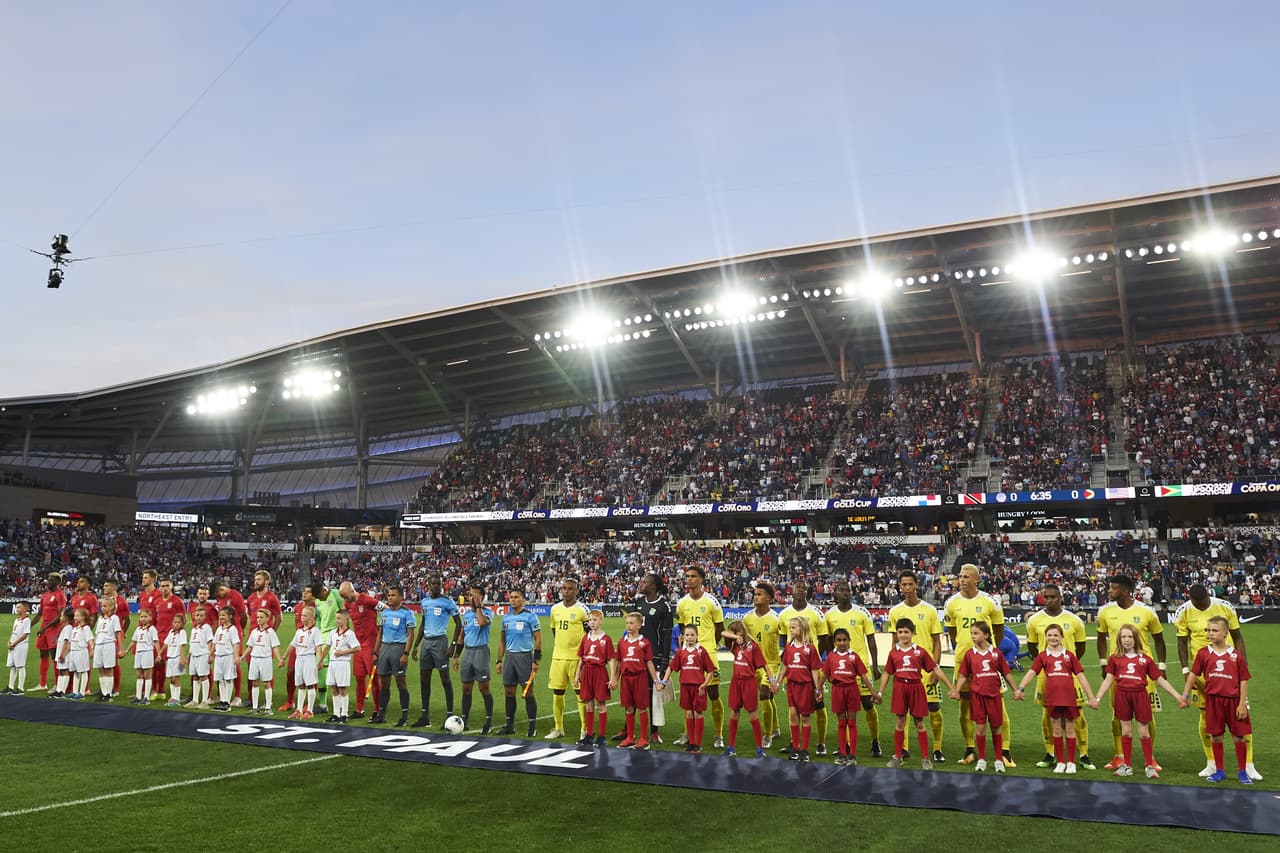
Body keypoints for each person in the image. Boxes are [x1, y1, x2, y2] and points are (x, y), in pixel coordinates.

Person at [1174, 584, 1260, 781]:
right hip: (1203, 674)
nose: (1201, 606)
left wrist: (1241, 667)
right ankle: (1212, 763)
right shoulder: (1183, 611)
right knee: (1207, 718)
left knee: (1242, 717)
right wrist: (1186, 671)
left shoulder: (1225, 607)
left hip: (1229, 672)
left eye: (1203, 603)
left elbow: (1238, 637)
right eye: (1197, 604)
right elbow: (1181, 641)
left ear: (1208, 597)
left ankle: (1248, 765)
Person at [1096, 575, 1167, 772]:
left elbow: (1159, 639)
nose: (1109, 591)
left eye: (1114, 588)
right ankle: (1119, 756)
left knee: (1148, 716)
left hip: (1143, 671)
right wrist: (1103, 662)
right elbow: (1101, 638)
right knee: (1117, 715)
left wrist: (1161, 666)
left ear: (1126, 590)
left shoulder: (1146, 612)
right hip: (1117, 671)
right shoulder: (1105, 612)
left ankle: (1149, 758)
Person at [944, 564, 1013, 766]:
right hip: (963, 662)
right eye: (960, 576)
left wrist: (988, 655)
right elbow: (953, 633)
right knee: (964, 707)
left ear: (976, 579)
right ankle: (970, 750)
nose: (962, 580)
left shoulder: (990, 601)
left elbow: (999, 631)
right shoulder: (951, 603)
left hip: (988, 664)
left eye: (966, 576)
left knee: (998, 705)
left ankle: (1005, 751)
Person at [1095, 624, 1185, 778]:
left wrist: (1178, 696)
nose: (1127, 640)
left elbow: (1159, 680)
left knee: (1143, 732)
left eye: (1130, 636)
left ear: (1135, 638)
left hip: (1140, 696)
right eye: (1123, 637)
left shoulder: (1145, 659)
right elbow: (1108, 679)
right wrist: (1097, 698)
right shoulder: (1115, 659)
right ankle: (1127, 766)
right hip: (1122, 696)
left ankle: (1149, 765)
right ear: (1119, 639)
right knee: (1127, 732)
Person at [1025, 584, 1094, 770]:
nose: (1049, 600)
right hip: (1045, 677)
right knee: (1048, 716)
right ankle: (1050, 754)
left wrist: (1066, 666)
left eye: (1053, 597)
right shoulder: (1034, 620)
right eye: (1046, 597)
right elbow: (1032, 647)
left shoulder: (1074, 620)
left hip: (1069, 676)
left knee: (1077, 716)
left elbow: (1080, 647)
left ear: (1060, 597)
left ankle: (1084, 754)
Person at [1015, 624, 1099, 774]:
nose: (1052, 638)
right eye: (1049, 635)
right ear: (1045, 637)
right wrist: (1020, 688)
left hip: (1068, 697)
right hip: (1052, 698)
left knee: (1071, 729)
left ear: (1061, 637)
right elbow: (1031, 673)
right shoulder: (1042, 656)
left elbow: (1081, 676)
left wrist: (1091, 696)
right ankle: (1060, 762)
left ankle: (1071, 762)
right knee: (1057, 729)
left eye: (1056, 635)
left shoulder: (1069, 656)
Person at [1181, 616, 1253, 784]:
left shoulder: (1235, 655)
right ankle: (1219, 771)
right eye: (1208, 630)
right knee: (1216, 737)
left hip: (1233, 701)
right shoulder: (1204, 653)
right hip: (1213, 701)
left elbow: (1243, 680)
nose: (1210, 633)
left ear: (1226, 633)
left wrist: (1242, 703)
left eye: (1215, 630)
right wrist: (1184, 696)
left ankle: (1243, 772)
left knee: (1239, 737)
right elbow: (1193, 675)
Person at [879, 618, 954, 770]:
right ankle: (898, 755)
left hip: (916, 688)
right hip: (900, 687)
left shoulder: (920, 651)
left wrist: (951, 687)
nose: (903, 635)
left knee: (919, 723)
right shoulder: (894, 653)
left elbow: (935, 668)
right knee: (900, 721)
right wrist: (880, 692)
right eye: (900, 632)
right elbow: (887, 673)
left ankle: (925, 758)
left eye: (906, 632)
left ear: (913, 633)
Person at [888, 570, 944, 761]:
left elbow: (937, 641)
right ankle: (903, 749)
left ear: (916, 585)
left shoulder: (929, 610)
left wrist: (936, 667)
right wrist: (895, 667)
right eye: (903, 585)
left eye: (910, 584)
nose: (907, 588)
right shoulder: (895, 611)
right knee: (902, 714)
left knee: (934, 709)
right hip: (904, 671)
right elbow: (894, 643)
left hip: (926, 669)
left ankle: (937, 748)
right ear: (900, 586)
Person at [824, 580, 881, 761]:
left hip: (860, 666)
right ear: (836, 593)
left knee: (867, 703)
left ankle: (875, 740)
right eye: (841, 590)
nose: (845, 593)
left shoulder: (862, 612)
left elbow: (871, 640)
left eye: (847, 590)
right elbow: (826, 641)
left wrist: (875, 664)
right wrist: (829, 663)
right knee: (842, 709)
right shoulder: (829, 615)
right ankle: (845, 745)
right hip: (840, 669)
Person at [954, 622, 1019, 773]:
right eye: (972, 634)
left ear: (987, 635)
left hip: (994, 695)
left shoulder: (996, 653)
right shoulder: (970, 654)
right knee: (981, 727)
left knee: (996, 728)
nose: (973, 637)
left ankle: (998, 759)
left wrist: (1016, 689)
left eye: (976, 633)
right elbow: (963, 674)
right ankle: (982, 759)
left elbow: (1006, 673)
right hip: (977, 696)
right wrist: (956, 690)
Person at [616, 572, 673, 744]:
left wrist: (664, 661)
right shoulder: (638, 603)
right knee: (631, 694)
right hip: (634, 654)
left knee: (651, 695)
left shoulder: (664, 606)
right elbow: (631, 628)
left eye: (645, 581)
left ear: (654, 586)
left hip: (653, 657)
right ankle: (628, 730)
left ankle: (654, 731)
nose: (641, 583)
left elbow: (666, 636)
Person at [675, 566, 725, 748]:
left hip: (708, 652)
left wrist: (709, 646)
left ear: (701, 579)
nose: (689, 579)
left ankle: (719, 734)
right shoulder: (682, 603)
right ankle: (688, 733)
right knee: (688, 693)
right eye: (687, 576)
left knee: (713, 693)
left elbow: (720, 629)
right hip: (689, 655)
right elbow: (681, 627)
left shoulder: (712, 602)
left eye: (693, 576)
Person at [776, 581, 828, 755]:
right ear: (792, 592)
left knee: (819, 707)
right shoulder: (784, 614)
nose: (799, 592)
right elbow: (784, 641)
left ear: (807, 591)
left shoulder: (816, 613)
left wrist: (817, 665)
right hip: (793, 674)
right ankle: (795, 744)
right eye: (797, 589)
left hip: (811, 669)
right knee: (793, 712)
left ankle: (820, 743)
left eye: (802, 589)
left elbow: (824, 639)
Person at [411, 575, 462, 729]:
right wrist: (416, 645)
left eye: (438, 583)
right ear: (428, 585)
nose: (436, 586)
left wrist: (453, 645)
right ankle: (425, 716)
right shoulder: (425, 602)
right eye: (433, 583)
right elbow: (423, 624)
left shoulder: (447, 602)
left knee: (445, 679)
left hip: (441, 642)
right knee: (424, 679)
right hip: (426, 643)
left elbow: (459, 624)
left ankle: (449, 716)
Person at [719, 618, 775, 759]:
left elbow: (765, 666)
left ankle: (759, 748)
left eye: (735, 633)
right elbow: (722, 633)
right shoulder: (734, 645)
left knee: (753, 715)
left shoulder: (753, 647)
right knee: (734, 712)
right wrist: (735, 637)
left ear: (740, 632)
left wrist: (773, 681)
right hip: (736, 682)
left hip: (748, 682)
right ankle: (731, 747)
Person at [823, 627, 876, 766]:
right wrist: (817, 690)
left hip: (852, 690)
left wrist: (873, 692)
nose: (842, 643)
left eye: (844, 640)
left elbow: (864, 676)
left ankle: (852, 755)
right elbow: (825, 674)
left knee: (851, 723)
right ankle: (842, 754)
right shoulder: (831, 656)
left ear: (849, 641)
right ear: (834, 642)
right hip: (837, 690)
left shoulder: (854, 656)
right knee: (841, 723)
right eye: (839, 640)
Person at [545, 577, 590, 740]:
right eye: (563, 588)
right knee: (557, 693)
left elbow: (589, 634)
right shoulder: (554, 609)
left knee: (580, 694)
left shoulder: (582, 610)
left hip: (576, 659)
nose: (566, 591)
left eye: (570, 588)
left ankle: (585, 729)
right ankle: (558, 728)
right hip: (558, 657)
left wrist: (582, 656)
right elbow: (554, 631)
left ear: (576, 591)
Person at [742, 581, 782, 748]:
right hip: (754, 665)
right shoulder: (747, 618)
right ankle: (776, 728)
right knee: (768, 698)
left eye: (759, 594)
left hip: (771, 664)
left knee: (764, 694)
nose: (755, 597)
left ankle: (767, 735)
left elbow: (786, 641)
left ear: (769, 598)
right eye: (755, 594)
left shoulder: (776, 619)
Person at [497, 588, 541, 737]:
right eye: (511, 597)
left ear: (523, 599)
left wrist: (536, 659)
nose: (513, 600)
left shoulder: (531, 617)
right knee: (509, 692)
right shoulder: (506, 619)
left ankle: (532, 726)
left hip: (525, 657)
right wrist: (499, 660)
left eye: (516, 597)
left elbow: (538, 639)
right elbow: (502, 641)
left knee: (528, 692)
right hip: (510, 657)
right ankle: (509, 725)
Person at [663, 624, 714, 754]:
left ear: (697, 636)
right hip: (685, 685)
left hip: (698, 687)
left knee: (698, 713)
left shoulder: (701, 651)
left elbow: (710, 670)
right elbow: (671, 667)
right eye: (687, 635)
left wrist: (705, 684)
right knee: (688, 713)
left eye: (692, 635)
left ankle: (698, 743)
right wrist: (664, 681)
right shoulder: (681, 651)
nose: (690, 637)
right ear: (683, 636)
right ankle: (691, 742)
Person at [453, 582, 495, 734]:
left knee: (484, 688)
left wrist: (478, 606)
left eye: (475, 595)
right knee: (466, 688)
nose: (471, 597)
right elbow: (462, 636)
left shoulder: (488, 612)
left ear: (482, 597)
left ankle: (488, 721)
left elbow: (483, 623)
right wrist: (457, 655)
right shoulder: (467, 614)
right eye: (470, 594)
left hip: (481, 652)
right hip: (467, 653)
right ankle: (465, 720)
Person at [371, 586, 416, 726]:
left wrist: (406, 653)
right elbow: (380, 633)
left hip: (398, 648)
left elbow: (410, 635)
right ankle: (382, 714)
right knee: (384, 683)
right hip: (385, 648)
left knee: (400, 682)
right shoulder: (384, 613)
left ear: (401, 598)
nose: (389, 597)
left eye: (393, 595)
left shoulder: (407, 613)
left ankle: (404, 717)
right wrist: (375, 652)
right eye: (389, 595)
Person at [338, 581, 383, 720]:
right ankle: (360, 709)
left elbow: (386, 609)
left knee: (374, 678)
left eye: (346, 596)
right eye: (343, 597)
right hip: (357, 646)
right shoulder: (347, 604)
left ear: (352, 591)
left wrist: (381, 629)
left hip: (370, 645)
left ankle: (378, 709)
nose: (345, 600)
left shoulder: (367, 600)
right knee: (359, 678)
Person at [573, 610, 616, 748]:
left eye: (595, 620)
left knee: (601, 705)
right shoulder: (586, 638)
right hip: (587, 672)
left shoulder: (606, 639)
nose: (592, 622)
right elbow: (581, 658)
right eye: (590, 620)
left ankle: (602, 736)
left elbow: (611, 659)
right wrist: (576, 675)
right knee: (589, 704)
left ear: (601, 621)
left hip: (599, 672)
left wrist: (613, 677)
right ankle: (589, 735)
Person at [616, 611, 658, 750]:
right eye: (627, 623)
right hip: (626, 678)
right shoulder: (622, 642)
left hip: (639, 677)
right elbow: (619, 662)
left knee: (641, 707)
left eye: (632, 623)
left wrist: (656, 680)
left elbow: (649, 662)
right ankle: (630, 737)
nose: (628, 625)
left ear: (639, 625)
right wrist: (615, 679)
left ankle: (643, 739)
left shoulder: (644, 642)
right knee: (628, 708)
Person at [212, 579, 249, 706]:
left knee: (234, 663)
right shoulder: (220, 599)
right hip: (222, 631)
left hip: (234, 631)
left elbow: (244, 615)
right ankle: (221, 696)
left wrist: (241, 629)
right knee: (220, 663)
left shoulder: (235, 595)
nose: (217, 597)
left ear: (221, 589)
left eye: (217, 594)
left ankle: (237, 696)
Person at [243, 608, 284, 715]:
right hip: (254, 659)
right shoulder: (254, 632)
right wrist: (242, 656)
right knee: (254, 682)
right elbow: (249, 646)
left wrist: (279, 659)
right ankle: (255, 707)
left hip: (265, 660)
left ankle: (268, 707)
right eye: (257, 617)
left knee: (266, 683)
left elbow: (275, 646)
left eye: (261, 617)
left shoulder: (270, 632)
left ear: (267, 618)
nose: (259, 619)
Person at [150, 579, 185, 701]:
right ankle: (156, 690)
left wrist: (177, 635)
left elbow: (182, 620)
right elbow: (154, 620)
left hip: (171, 637)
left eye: (167, 586)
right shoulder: (157, 601)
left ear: (171, 587)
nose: (164, 588)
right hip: (158, 636)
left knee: (168, 665)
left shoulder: (177, 601)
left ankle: (165, 691)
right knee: (156, 664)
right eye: (162, 586)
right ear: (159, 588)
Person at [279, 587, 312, 713]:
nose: (304, 593)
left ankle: (308, 704)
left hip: (309, 644)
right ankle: (290, 701)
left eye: (308, 592)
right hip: (298, 642)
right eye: (304, 591)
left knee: (309, 676)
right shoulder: (298, 607)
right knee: (290, 672)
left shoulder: (316, 607)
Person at [309, 581, 340, 714]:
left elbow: (345, 612)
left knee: (336, 670)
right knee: (321, 669)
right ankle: (322, 704)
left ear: (324, 590)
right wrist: (319, 633)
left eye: (319, 596)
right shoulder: (317, 602)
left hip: (337, 637)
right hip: (323, 637)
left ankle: (339, 706)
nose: (319, 599)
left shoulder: (336, 594)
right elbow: (320, 619)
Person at [34, 572, 68, 692]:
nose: (48, 582)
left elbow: (60, 615)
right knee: (43, 654)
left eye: (51, 580)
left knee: (54, 656)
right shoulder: (45, 595)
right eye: (48, 579)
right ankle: (42, 684)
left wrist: (44, 628)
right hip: (44, 628)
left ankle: (56, 684)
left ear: (58, 582)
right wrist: (29, 625)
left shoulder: (60, 595)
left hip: (55, 629)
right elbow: (39, 614)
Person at [326, 610, 361, 723]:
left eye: (339, 618)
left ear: (346, 619)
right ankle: (336, 713)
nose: (337, 620)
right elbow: (327, 646)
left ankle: (344, 713)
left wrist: (343, 652)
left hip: (343, 663)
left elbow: (357, 648)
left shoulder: (349, 634)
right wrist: (320, 660)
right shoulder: (333, 632)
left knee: (342, 688)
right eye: (336, 618)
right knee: (334, 688)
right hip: (332, 662)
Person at [291, 605, 322, 720]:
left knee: (310, 684)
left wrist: (319, 661)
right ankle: (299, 710)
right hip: (299, 659)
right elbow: (292, 645)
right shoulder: (299, 630)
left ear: (312, 618)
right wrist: (284, 657)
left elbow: (319, 648)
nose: (302, 617)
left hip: (309, 658)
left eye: (305, 615)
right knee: (300, 685)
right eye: (301, 615)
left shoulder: (315, 631)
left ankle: (310, 710)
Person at [91, 595, 123, 702]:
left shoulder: (114, 618)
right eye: (102, 606)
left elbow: (118, 633)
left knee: (108, 669)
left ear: (112, 607)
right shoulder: (100, 619)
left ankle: (108, 694)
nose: (102, 608)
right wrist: (93, 647)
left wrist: (121, 648)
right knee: (100, 669)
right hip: (99, 645)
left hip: (109, 644)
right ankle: (103, 693)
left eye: (105, 606)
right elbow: (97, 633)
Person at [102, 578, 130, 697]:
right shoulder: (104, 601)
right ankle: (105, 688)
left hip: (115, 636)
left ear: (114, 588)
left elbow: (127, 620)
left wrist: (121, 633)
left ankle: (116, 688)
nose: (104, 588)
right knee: (104, 663)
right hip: (105, 636)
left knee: (114, 662)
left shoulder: (122, 601)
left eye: (107, 585)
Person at [211, 606, 242, 712]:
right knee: (220, 680)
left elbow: (236, 643)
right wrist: (211, 654)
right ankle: (222, 701)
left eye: (224, 615)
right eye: (220, 615)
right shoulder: (219, 628)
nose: (221, 617)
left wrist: (236, 656)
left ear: (230, 616)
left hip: (228, 656)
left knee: (228, 679)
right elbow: (214, 643)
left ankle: (227, 703)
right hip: (218, 656)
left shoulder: (232, 629)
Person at [127, 609, 158, 705]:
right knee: (139, 674)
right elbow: (133, 641)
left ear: (150, 618)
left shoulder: (152, 629)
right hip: (138, 653)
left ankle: (146, 698)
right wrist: (127, 650)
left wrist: (159, 653)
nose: (143, 618)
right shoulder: (138, 629)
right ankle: (138, 696)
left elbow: (156, 642)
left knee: (147, 675)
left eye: (145, 616)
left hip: (147, 652)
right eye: (141, 616)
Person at [186, 604, 215, 708]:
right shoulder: (194, 629)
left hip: (203, 655)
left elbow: (210, 642)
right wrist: (188, 656)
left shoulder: (207, 628)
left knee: (203, 676)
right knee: (195, 676)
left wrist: (210, 655)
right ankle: (195, 700)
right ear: (194, 615)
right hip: (194, 655)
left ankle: (205, 701)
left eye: (201, 615)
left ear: (205, 617)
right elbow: (192, 643)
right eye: (197, 615)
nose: (198, 617)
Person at [62, 607, 94, 700]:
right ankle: (75, 691)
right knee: (75, 672)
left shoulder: (86, 628)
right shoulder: (75, 628)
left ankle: (82, 692)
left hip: (81, 652)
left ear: (83, 617)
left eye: (76, 616)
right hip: (73, 652)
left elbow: (90, 640)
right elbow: (70, 642)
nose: (74, 618)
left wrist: (92, 650)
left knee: (83, 672)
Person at [162, 613, 188, 706]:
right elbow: (166, 643)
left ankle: (176, 699)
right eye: (174, 622)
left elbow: (182, 645)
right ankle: (172, 697)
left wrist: (182, 658)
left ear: (182, 623)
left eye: (178, 622)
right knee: (171, 679)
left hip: (178, 658)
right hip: (170, 658)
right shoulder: (171, 632)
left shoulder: (182, 632)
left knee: (176, 678)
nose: (176, 624)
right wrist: (159, 654)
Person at [6, 601, 31, 694]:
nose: (17, 609)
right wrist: (9, 642)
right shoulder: (16, 620)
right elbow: (13, 633)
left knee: (20, 666)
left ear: (25, 609)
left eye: (19, 607)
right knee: (12, 666)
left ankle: (20, 688)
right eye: (16, 607)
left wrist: (14, 643)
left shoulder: (27, 620)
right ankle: (10, 686)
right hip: (13, 645)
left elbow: (25, 635)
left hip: (21, 645)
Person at [51, 607, 74, 698]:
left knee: (64, 671)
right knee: (61, 671)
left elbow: (66, 642)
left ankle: (62, 691)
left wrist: (63, 654)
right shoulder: (65, 627)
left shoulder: (68, 628)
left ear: (66, 617)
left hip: (64, 654)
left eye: (61, 616)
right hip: (60, 653)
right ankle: (58, 690)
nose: (60, 618)